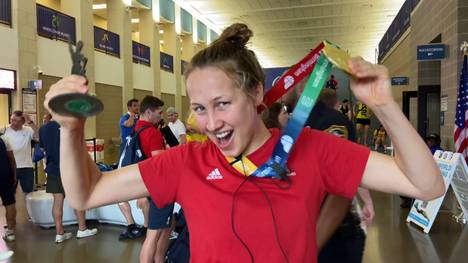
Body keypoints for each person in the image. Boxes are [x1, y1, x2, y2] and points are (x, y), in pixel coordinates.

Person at [44, 23, 444, 262]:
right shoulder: (187, 161)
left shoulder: (314, 149)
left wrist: (385, 106)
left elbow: (426, 185)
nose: (211, 123)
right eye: (199, 108)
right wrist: (70, 129)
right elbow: (86, 194)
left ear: (256, 93)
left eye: (223, 104)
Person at [284, 87, 374, 262]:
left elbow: (342, 176)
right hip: (300, 228)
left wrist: (311, 248)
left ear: (302, 87)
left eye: (288, 85)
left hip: (329, 231)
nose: (282, 92)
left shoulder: (330, 123)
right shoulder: (293, 121)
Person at [39, 117, 98, 243]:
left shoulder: (43, 128)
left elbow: (43, 149)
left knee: (57, 201)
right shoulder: (72, 125)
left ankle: (59, 233)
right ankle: (82, 229)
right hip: (72, 169)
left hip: (53, 169)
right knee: (77, 198)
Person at [135, 96, 174, 263]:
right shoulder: (152, 133)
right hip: (158, 188)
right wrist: (173, 154)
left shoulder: (136, 128)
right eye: (159, 112)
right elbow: (160, 163)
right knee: (153, 234)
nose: (162, 116)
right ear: (148, 112)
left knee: (167, 226)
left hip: (144, 184)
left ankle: (159, 259)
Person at [118, 98, 146, 240]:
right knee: (120, 195)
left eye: (138, 106)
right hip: (127, 155)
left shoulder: (139, 119)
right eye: (134, 106)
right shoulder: (125, 118)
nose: (137, 108)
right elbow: (127, 124)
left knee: (143, 193)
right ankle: (131, 224)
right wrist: (132, 115)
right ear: (129, 107)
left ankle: (146, 225)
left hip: (138, 154)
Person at [2, 111, 38, 195]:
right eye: (12, 120)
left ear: (23, 122)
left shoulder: (28, 130)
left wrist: (30, 121)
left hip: (26, 167)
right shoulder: (3, 130)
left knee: (29, 193)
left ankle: (29, 208)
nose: (14, 123)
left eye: (17, 121)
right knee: (9, 194)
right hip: (10, 167)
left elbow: (39, 136)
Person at [0, 135, 16, 242]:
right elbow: (11, 159)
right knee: (9, 203)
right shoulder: (4, 139)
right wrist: (14, 175)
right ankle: (10, 233)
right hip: (4, 175)